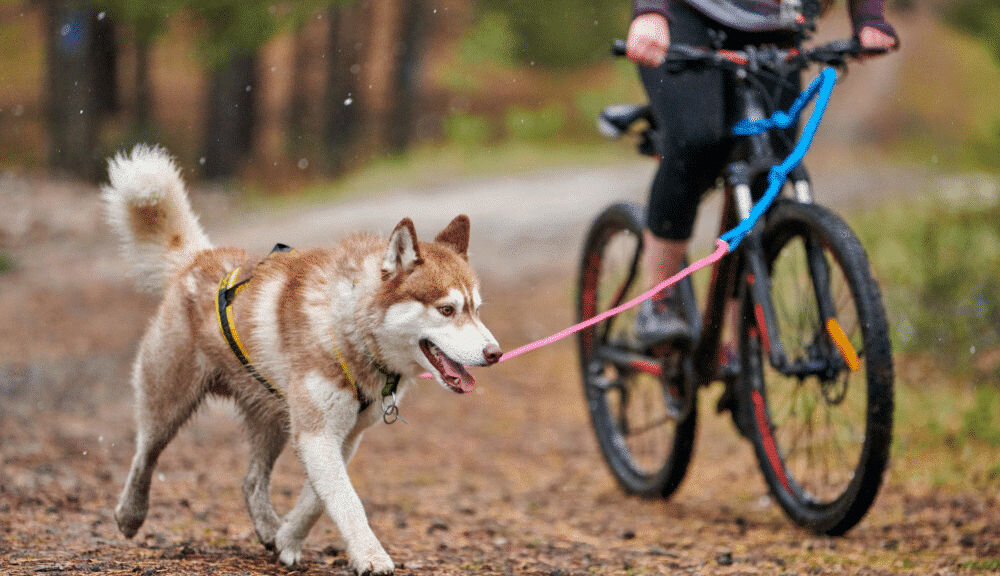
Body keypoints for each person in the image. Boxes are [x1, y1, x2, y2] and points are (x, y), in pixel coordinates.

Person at [626, 0, 898, 347]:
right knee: (696, 141)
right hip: (687, 15)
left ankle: (737, 344)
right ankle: (659, 299)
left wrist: (869, 19)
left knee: (770, 166)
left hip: (776, 28)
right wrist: (651, 11)